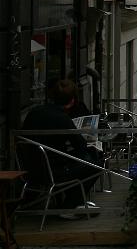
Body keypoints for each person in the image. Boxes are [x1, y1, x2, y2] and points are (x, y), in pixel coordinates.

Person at [21, 80, 103, 215]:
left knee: (81, 159)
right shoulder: (62, 118)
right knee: (95, 163)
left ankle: (76, 200)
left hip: (30, 168)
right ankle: (71, 205)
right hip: (53, 171)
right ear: (72, 101)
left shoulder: (34, 112)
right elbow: (80, 145)